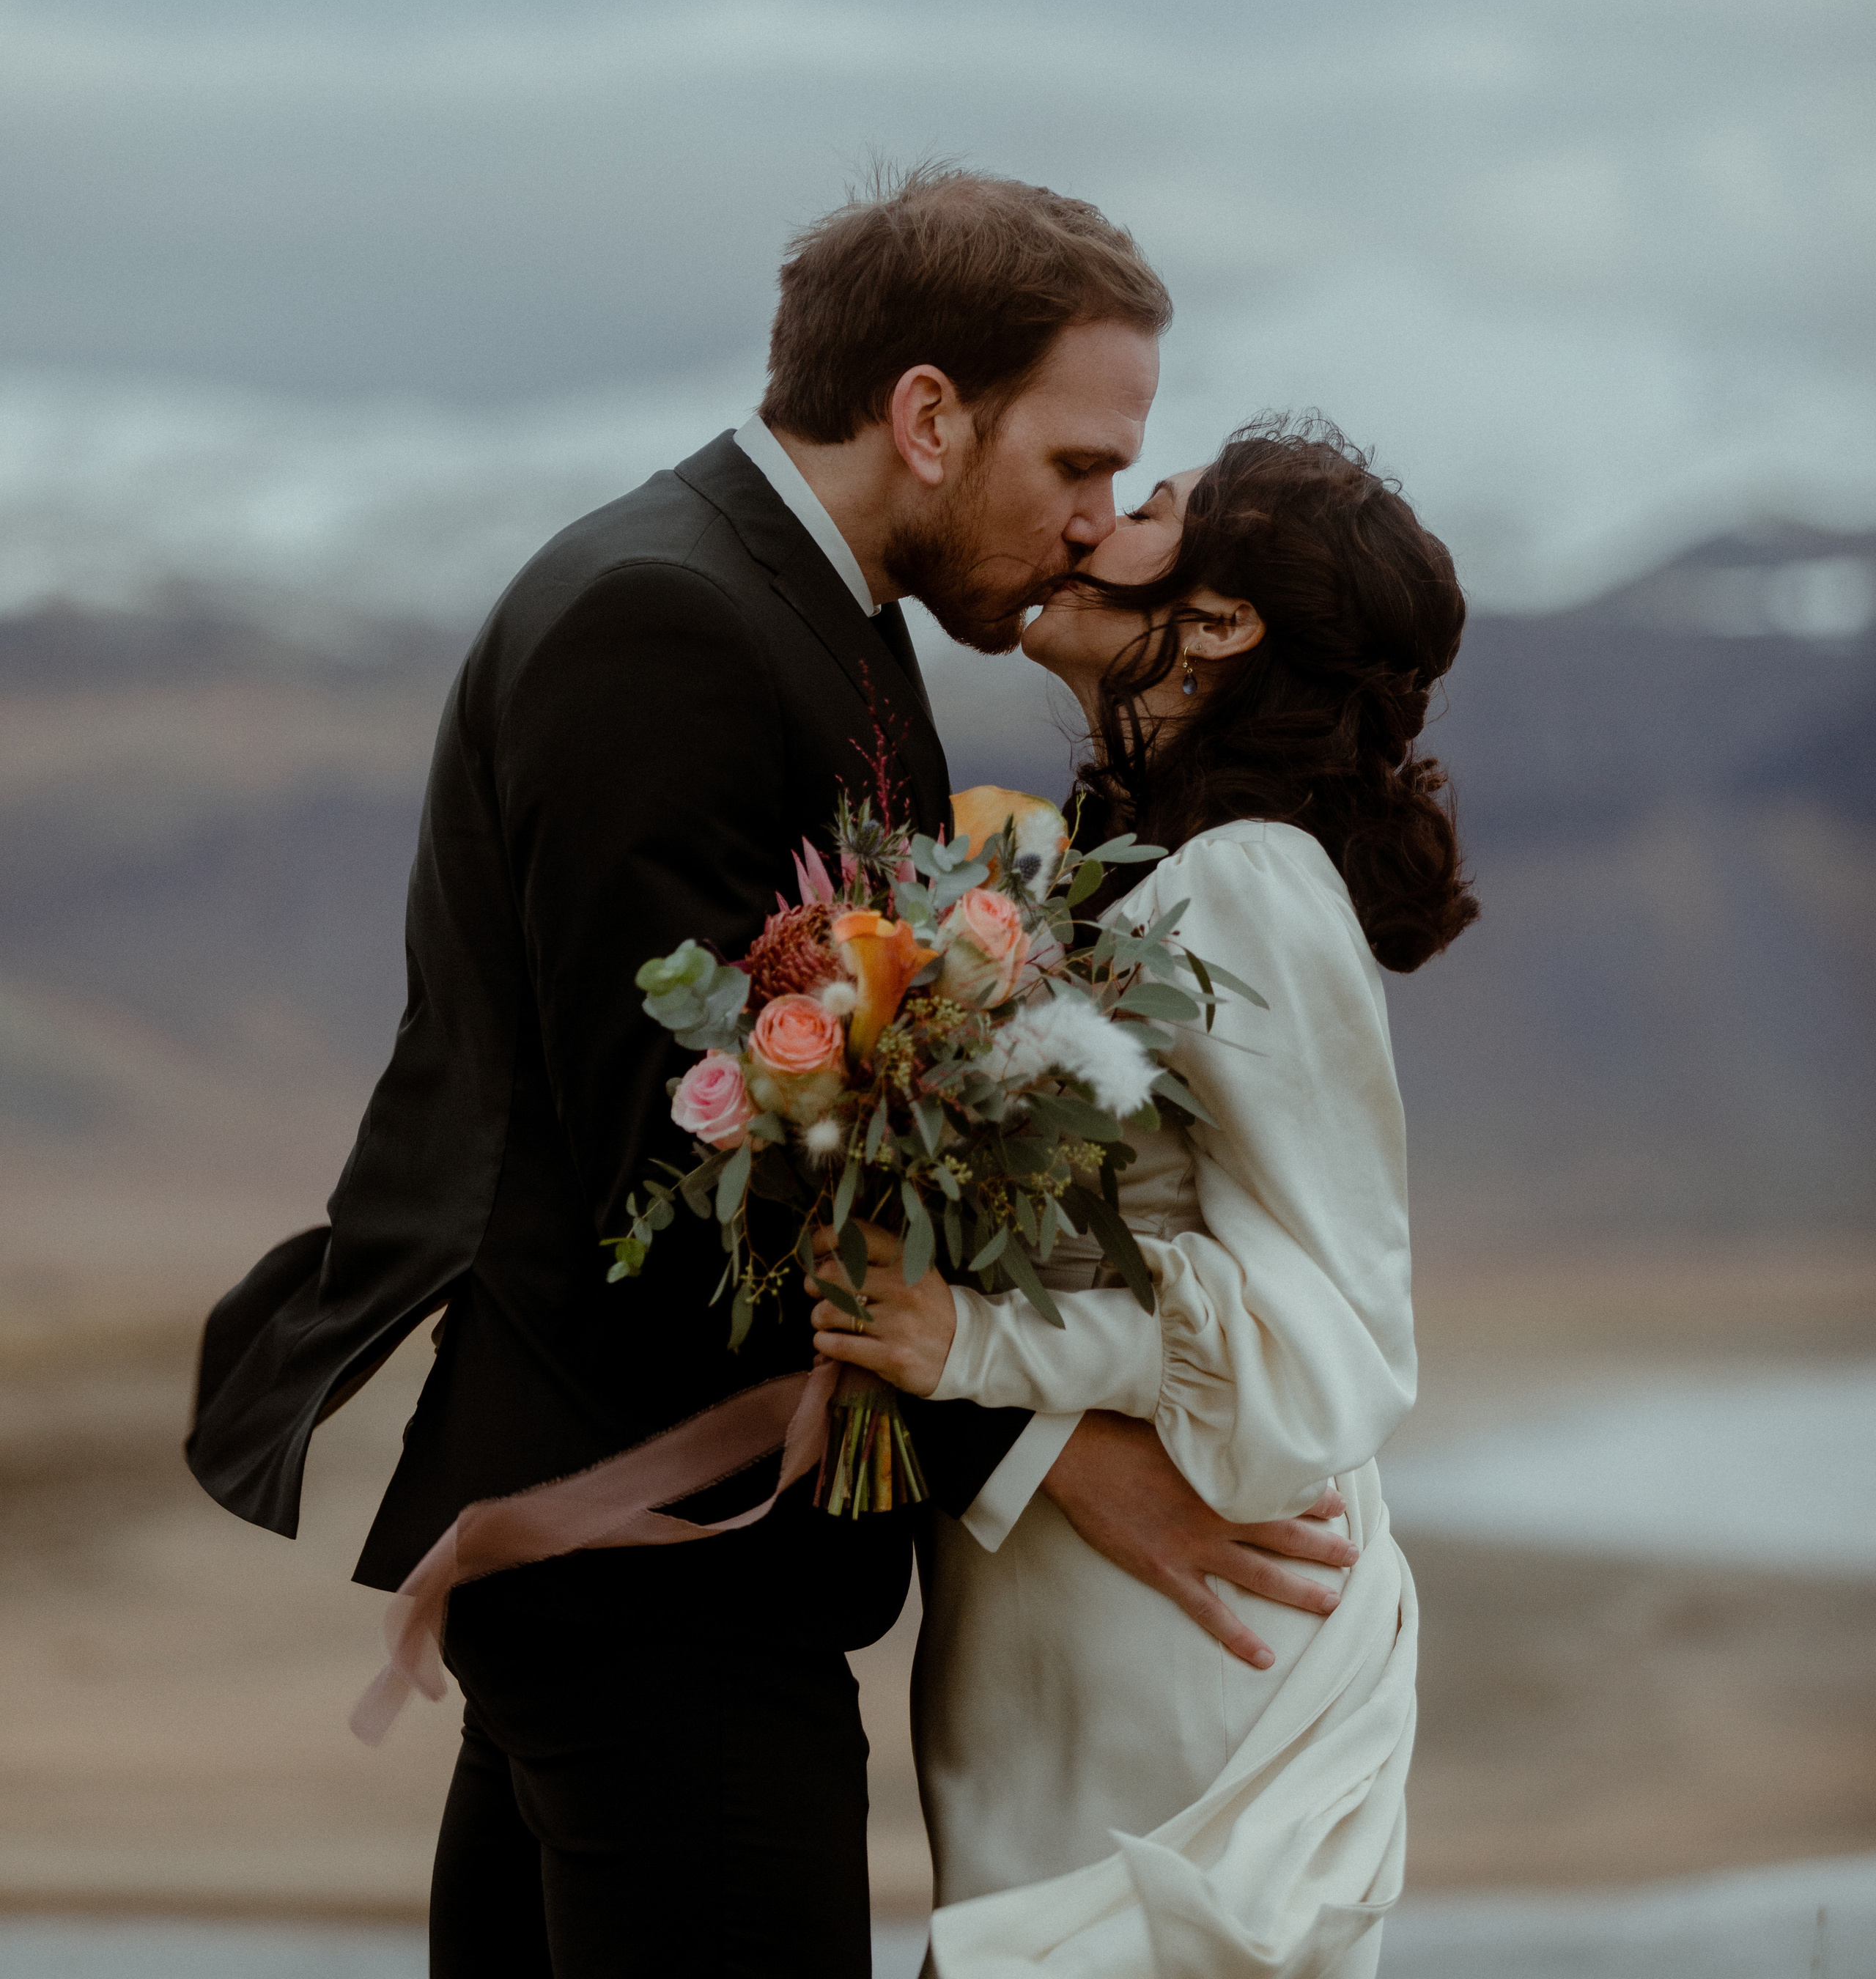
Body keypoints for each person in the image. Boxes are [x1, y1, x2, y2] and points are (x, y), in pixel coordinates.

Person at [185, 170, 1356, 1979]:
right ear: (926, 416)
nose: (1094, 522)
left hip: (645, 1573)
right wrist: (1045, 1448)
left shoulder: (816, 612)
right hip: (653, 1573)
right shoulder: (661, 621)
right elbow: (674, 1158)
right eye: (1076, 466)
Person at [810, 421, 1480, 1979]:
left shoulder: (1244, 879)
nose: (1088, 526)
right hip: (1062, 1612)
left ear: (1223, 621)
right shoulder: (1117, 873)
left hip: (1197, 1626)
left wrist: (975, 1345)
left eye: (1148, 508)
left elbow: (1330, 1336)